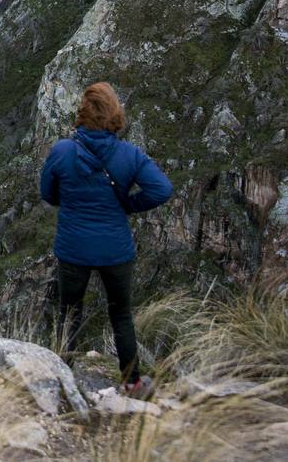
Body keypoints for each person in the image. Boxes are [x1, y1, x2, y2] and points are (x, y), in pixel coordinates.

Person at [39, 82, 173, 397]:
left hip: (73, 248)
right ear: (116, 115)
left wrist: (71, 201)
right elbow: (162, 190)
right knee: (121, 315)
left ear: (83, 114)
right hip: (116, 249)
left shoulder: (62, 151)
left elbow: (48, 193)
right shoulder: (129, 155)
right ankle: (132, 383)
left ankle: (62, 383)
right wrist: (127, 205)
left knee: (68, 314)